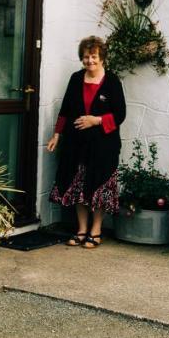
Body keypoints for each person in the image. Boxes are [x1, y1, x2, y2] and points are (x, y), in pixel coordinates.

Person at [46, 36, 126, 249]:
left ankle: (96, 230)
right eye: (85, 57)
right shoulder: (75, 78)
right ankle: (81, 229)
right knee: (78, 185)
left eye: (93, 57)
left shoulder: (112, 82)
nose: (89, 61)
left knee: (98, 186)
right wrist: (56, 134)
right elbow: (64, 110)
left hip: (103, 146)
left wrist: (96, 120)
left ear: (102, 58)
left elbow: (120, 115)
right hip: (76, 143)